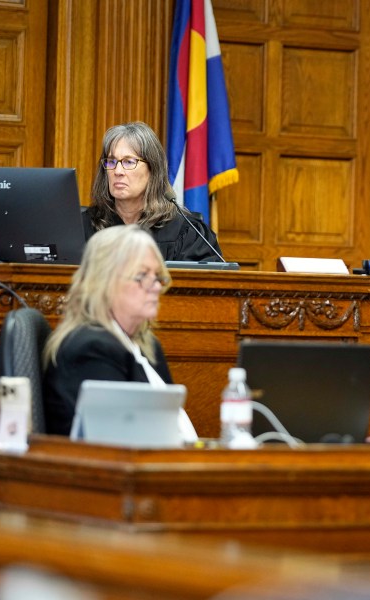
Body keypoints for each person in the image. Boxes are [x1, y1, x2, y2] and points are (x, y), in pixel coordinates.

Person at [42, 224, 196, 439]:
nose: (156, 286)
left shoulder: (147, 347)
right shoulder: (90, 350)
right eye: (142, 275)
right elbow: (114, 447)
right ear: (103, 282)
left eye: (158, 276)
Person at [82, 121, 225, 263]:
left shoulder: (187, 233)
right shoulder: (83, 227)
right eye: (111, 162)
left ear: (153, 170)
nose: (117, 171)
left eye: (129, 162)